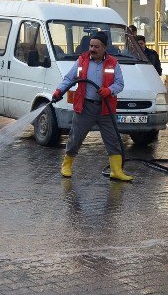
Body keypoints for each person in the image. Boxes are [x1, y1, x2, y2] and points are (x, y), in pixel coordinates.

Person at [51, 31, 133, 182]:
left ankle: (116, 170)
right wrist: (59, 90)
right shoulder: (82, 61)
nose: (92, 49)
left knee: (112, 138)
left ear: (104, 48)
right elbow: (69, 78)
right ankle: (66, 165)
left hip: (105, 108)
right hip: (85, 107)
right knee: (76, 137)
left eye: (96, 46)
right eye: (91, 46)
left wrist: (109, 90)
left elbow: (119, 84)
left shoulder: (113, 63)